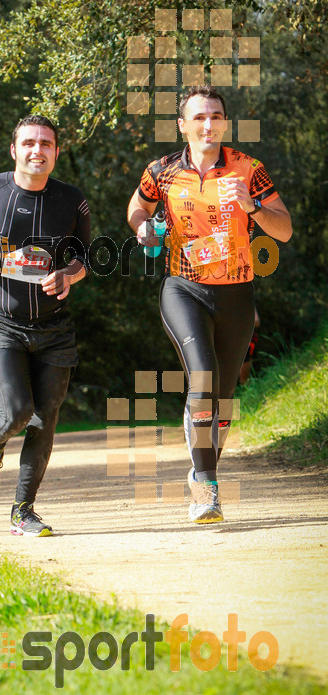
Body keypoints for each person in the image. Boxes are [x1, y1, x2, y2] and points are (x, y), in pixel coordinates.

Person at [127, 85, 292, 523]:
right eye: (198, 117)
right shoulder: (161, 171)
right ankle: (206, 486)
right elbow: (136, 210)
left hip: (237, 293)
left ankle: (202, 457)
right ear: (182, 125)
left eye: (215, 116)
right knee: (203, 376)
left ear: (224, 123)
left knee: (223, 396)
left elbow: (285, 230)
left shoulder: (248, 169)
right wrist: (145, 230)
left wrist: (253, 206)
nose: (207, 124)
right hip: (183, 287)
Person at [0, 115, 90, 536]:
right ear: (14, 150)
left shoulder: (72, 200)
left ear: (56, 152)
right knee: (16, 411)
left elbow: (83, 257)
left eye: (46, 144)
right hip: (0, 323)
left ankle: (23, 511)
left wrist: (69, 275)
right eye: (29, 143)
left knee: (44, 420)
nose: (37, 151)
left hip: (54, 328)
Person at [239, 306, 261, 385]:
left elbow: (256, 321)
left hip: (245, 344)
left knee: (244, 379)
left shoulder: (247, 300)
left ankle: (245, 391)